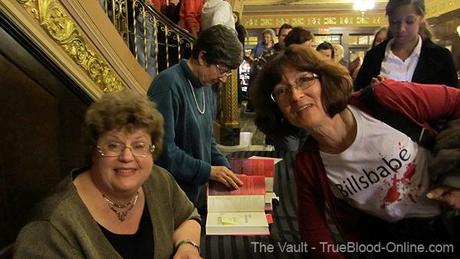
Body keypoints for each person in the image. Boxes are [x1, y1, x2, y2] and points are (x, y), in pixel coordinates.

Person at [251, 45, 460, 259]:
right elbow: (314, 231)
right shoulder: (307, 163)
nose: (295, 95)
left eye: (304, 79)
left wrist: (455, 179)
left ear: (326, 80)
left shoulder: (384, 99)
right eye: (281, 91)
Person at [14, 90, 202, 258]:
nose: (127, 156)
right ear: (94, 151)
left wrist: (188, 246)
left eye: (139, 146)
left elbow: (187, 217)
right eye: (113, 145)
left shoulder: (159, 181)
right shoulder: (52, 227)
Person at [147, 25, 244, 212]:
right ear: (202, 57)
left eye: (227, 72)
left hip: (196, 193)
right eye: (222, 69)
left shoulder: (207, 88)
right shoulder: (167, 85)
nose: (224, 78)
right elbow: (162, 151)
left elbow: (208, 141)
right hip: (170, 195)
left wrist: (225, 168)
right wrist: (208, 171)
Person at [354, 0, 458, 90]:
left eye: (409, 21)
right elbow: (358, 97)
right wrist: (371, 92)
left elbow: (452, 102)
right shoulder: (373, 56)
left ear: (421, 18)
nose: (401, 29)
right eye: (394, 22)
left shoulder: (441, 57)